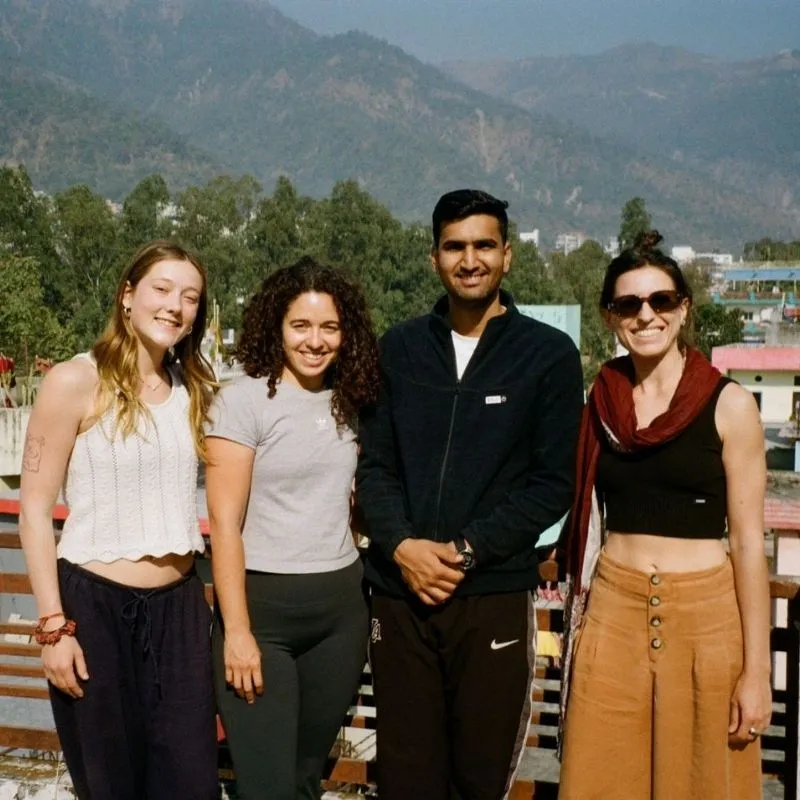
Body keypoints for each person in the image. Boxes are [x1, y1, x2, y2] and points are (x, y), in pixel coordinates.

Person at [356, 189, 584, 799]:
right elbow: (374, 467)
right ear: (434, 258)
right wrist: (403, 546)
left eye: (484, 244)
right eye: (455, 246)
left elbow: (551, 485)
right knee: (406, 776)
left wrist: (463, 550)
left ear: (508, 255)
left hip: (491, 594)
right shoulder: (398, 349)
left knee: (479, 779)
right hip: (398, 595)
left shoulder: (548, 356)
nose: (470, 259)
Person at [559, 230, 771, 799]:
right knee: (600, 781)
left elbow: (751, 545)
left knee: (704, 783)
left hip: (707, 620)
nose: (646, 315)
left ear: (684, 309)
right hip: (613, 614)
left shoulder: (730, 405)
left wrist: (758, 672)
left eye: (661, 301)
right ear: (611, 317)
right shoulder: (600, 404)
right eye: (629, 304)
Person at [19, 241, 219, 800]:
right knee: (109, 785)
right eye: (162, 289)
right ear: (127, 294)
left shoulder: (193, 389)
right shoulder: (74, 381)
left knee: (192, 784)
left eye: (191, 298)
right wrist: (53, 628)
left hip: (179, 611)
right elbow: (33, 512)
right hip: (94, 611)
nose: (175, 307)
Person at [205, 257, 379, 800]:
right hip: (262, 616)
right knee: (264, 788)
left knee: (305, 782)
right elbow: (225, 524)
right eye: (300, 326)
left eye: (329, 327)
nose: (315, 341)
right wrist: (237, 632)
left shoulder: (354, 403)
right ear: (275, 327)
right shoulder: (242, 401)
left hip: (340, 616)